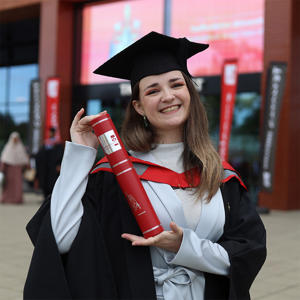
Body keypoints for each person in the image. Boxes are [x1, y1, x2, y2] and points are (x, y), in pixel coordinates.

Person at [24, 31, 266, 300]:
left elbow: (248, 254)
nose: (167, 96)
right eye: (153, 90)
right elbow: (62, 239)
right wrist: (80, 153)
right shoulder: (114, 175)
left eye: (176, 85)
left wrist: (185, 246)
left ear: (189, 92)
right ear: (138, 106)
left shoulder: (221, 176)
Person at [35, 127, 64, 200]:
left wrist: (59, 164)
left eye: (51, 132)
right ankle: (45, 197)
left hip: (53, 167)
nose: (50, 134)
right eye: (49, 132)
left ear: (54, 133)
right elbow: (40, 154)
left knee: (52, 182)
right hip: (45, 167)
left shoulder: (58, 143)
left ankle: (52, 198)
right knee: (45, 182)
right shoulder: (46, 143)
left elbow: (60, 154)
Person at [0, 132, 29, 204]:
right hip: (8, 171)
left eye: (16, 139)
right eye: (14, 139)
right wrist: (2, 170)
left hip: (17, 171)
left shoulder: (20, 148)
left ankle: (17, 199)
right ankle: (6, 199)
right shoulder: (8, 147)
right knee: (8, 185)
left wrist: (25, 166)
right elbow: (4, 159)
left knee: (17, 185)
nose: (15, 140)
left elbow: (24, 160)